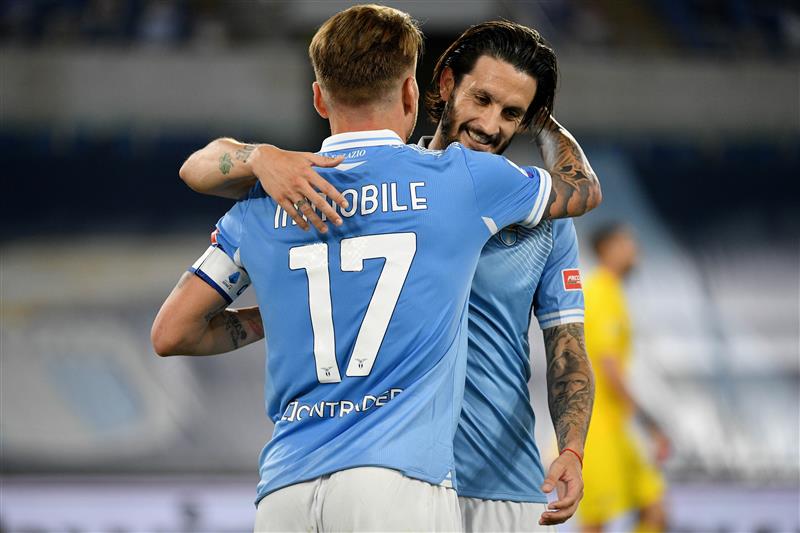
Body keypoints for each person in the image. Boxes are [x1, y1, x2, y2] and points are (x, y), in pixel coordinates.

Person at [151, 6, 601, 532]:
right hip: (405, 477)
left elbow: (567, 346)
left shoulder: (284, 191)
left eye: (514, 113)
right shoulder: (455, 183)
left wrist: (572, 448)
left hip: (484, 484)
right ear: (431, 88)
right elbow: (586, 188)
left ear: (320, 97)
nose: (490, 124)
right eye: (482, 99)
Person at [580, 223, 670, 533]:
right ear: (606, 249)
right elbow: (610, 371)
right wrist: (650, 423)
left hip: (618, 426)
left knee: (655, 511)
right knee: (595, 523)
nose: (634, 251)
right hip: (597, 429)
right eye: (626, 243)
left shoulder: (613, 292)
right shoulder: (599, 291)